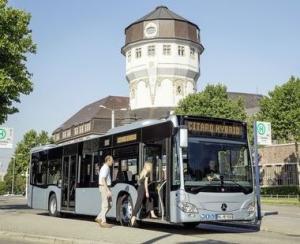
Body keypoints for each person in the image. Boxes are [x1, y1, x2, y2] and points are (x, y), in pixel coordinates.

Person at [131, 161, 158, 226]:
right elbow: (145, 183)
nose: (151, 167)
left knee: (150, 199)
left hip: (140, 188)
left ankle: (152, 213)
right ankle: (133, 217)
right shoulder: (148, 172)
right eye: (151, 166)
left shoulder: (142, 171)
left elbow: (139, 181)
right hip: (143, 189)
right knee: (139, 203)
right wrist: (147, 192)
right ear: (149, 166)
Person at [95, 155, 114, 228]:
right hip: (104, 187)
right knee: (105, 205)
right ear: (108, 160)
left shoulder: (106, 167)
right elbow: (103, 179)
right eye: (111, 160)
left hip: (105, 187)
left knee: (110, 205)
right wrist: (108, 190)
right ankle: (103, 222)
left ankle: (99, 217)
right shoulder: (105, 168)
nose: (112, 162)